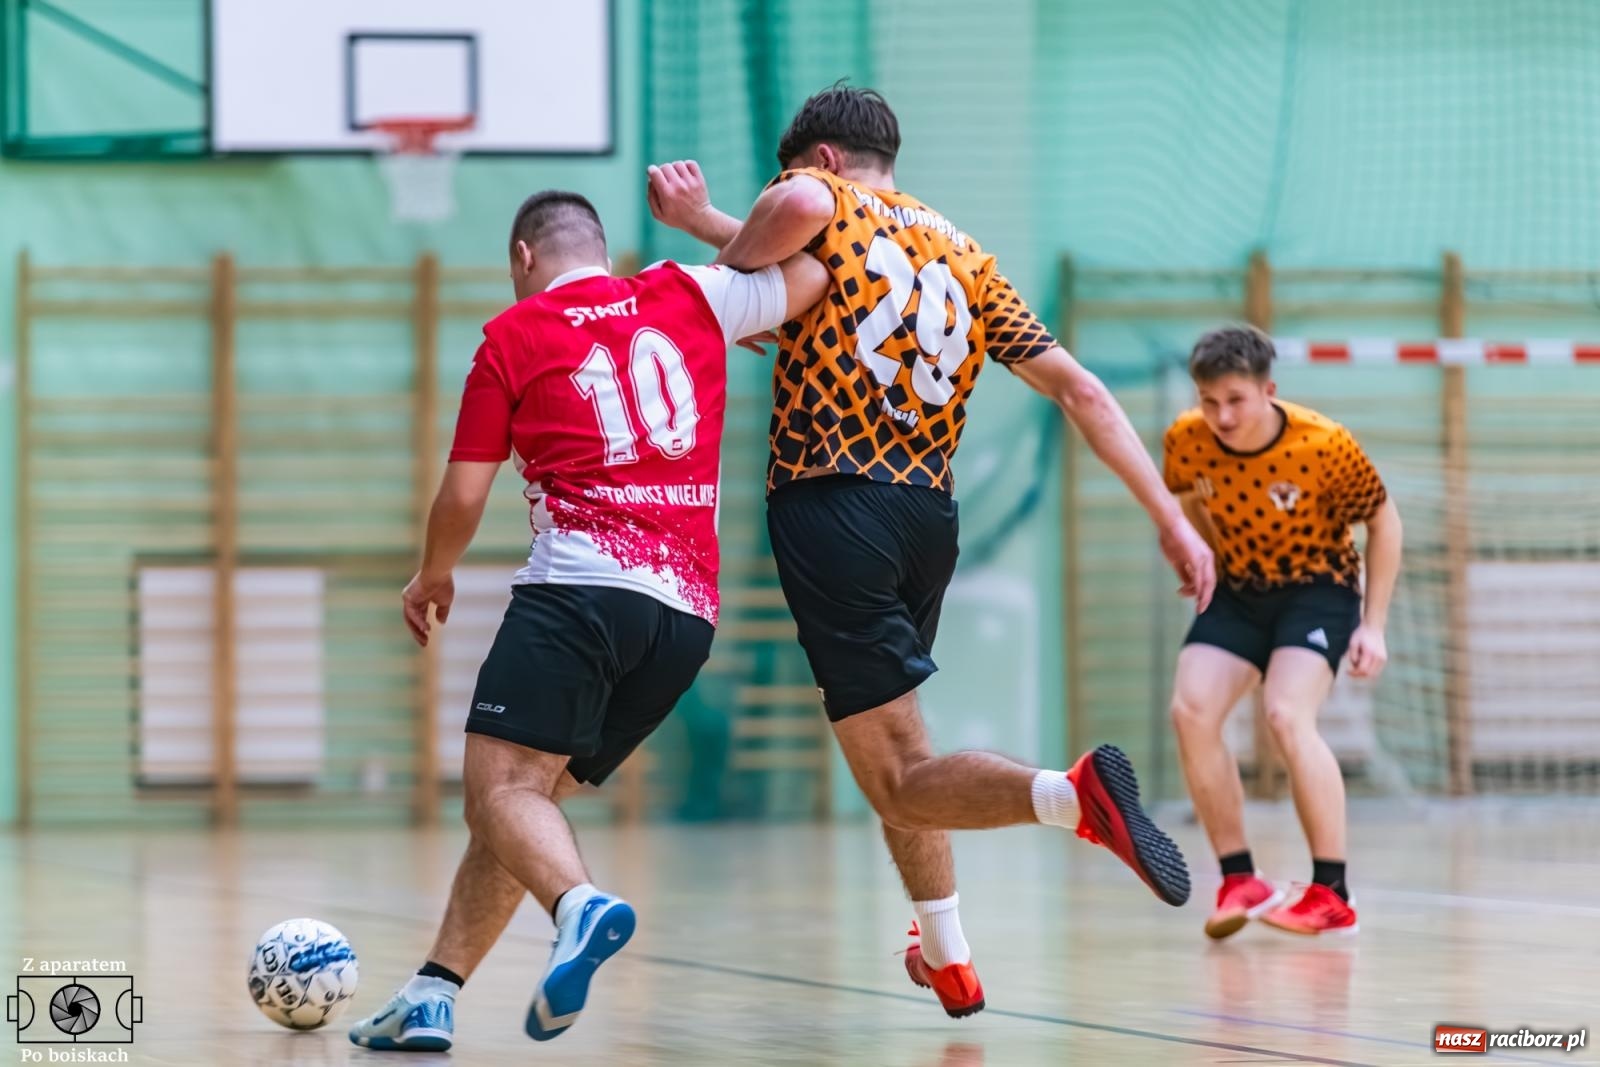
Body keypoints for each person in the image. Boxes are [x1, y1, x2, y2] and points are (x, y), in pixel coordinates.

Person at [647, 84, 1215, 1018]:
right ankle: (946, 951)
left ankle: (1070, 797)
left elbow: (795, 215)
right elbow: (1081, 392)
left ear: (822, 159)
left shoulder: (818, 200)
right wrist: (1169, 514)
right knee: (899, 742)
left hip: (834, 503)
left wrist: (723, 251)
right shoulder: (964, 254)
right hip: (925, 519)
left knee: (901, 779)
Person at [348, 190, 829, 1050]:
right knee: (523, 806)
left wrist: (433, 574)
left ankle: (580, 905)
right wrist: (724, 248)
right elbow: (815, 270)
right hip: (683, 622)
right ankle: (434, 990)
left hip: (579, 592)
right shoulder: (692, 293)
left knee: (498, 794)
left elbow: (464, 492)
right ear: (600, 248)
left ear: (525, 260)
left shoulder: (515, 334)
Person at [1162, 325, 1401, 939]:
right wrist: (1201, 553)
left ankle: (1331, 891)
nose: (1221, 416)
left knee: (1286, 716)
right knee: (1190, 712)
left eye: (1236, 400)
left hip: (1317, 591)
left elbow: (1384, 520)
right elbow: (1186, 500)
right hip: (1241, 590)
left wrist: (1372, 625)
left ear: (1268, 390)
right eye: (1209, 401)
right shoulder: (1187, 440)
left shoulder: (1323, 444)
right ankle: (1240, 878)